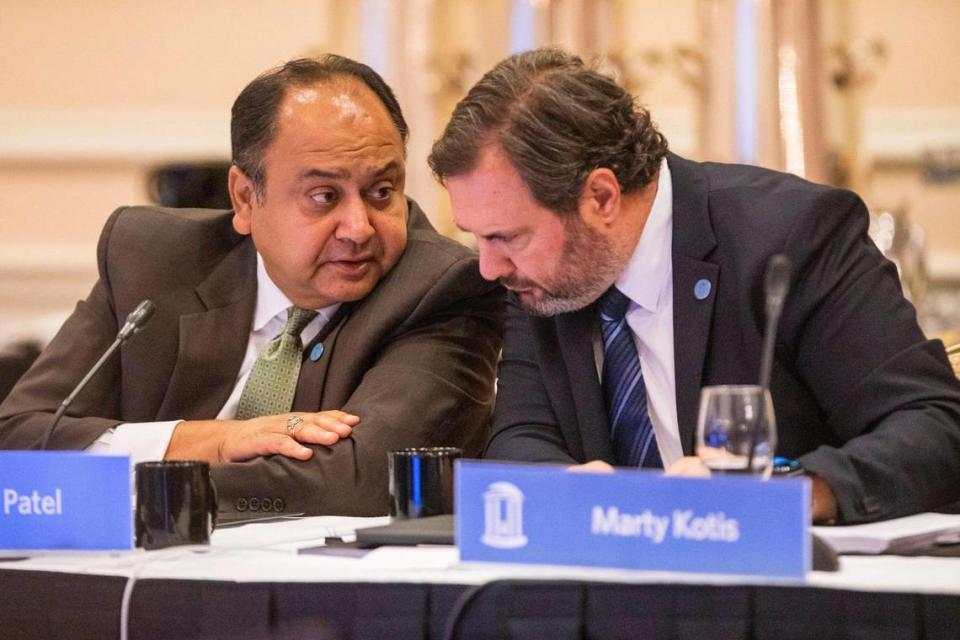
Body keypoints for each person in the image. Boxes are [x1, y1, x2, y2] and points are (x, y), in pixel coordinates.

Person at [428, 48, 960, 524]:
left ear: (601, 198)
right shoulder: (537, 281)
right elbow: (522, 436)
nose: (488, 268)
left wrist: (788, 490)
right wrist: (566, 486)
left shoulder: (789, 237)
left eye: (507, 237)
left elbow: (934, 427)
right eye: (479, 238)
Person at [0, 55, 503, 517]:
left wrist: (124, 482)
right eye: (324, 196)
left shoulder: (440, 288)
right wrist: (207, 441)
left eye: (381, 192)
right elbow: (20, 440)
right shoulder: (152, 260)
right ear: (244, 198)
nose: (359, 228)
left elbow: (360, 481)